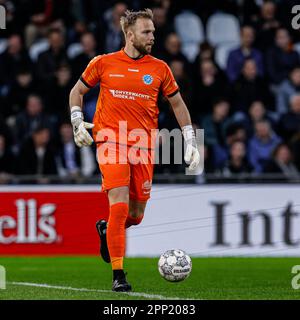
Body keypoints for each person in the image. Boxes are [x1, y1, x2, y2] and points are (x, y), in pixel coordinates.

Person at [68, 9, 200, 292]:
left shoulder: (160, 68)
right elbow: (76, 91)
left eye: (152, 31)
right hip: (110, 141)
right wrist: (77, 119)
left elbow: (177, 104)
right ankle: (119, 275)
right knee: (119, 204)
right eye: (146, 32)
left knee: (136, 215)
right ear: (129, 35)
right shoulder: (103, 63)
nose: (152, 36)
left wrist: (189, 138)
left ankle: (106, 230)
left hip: (143, 145)